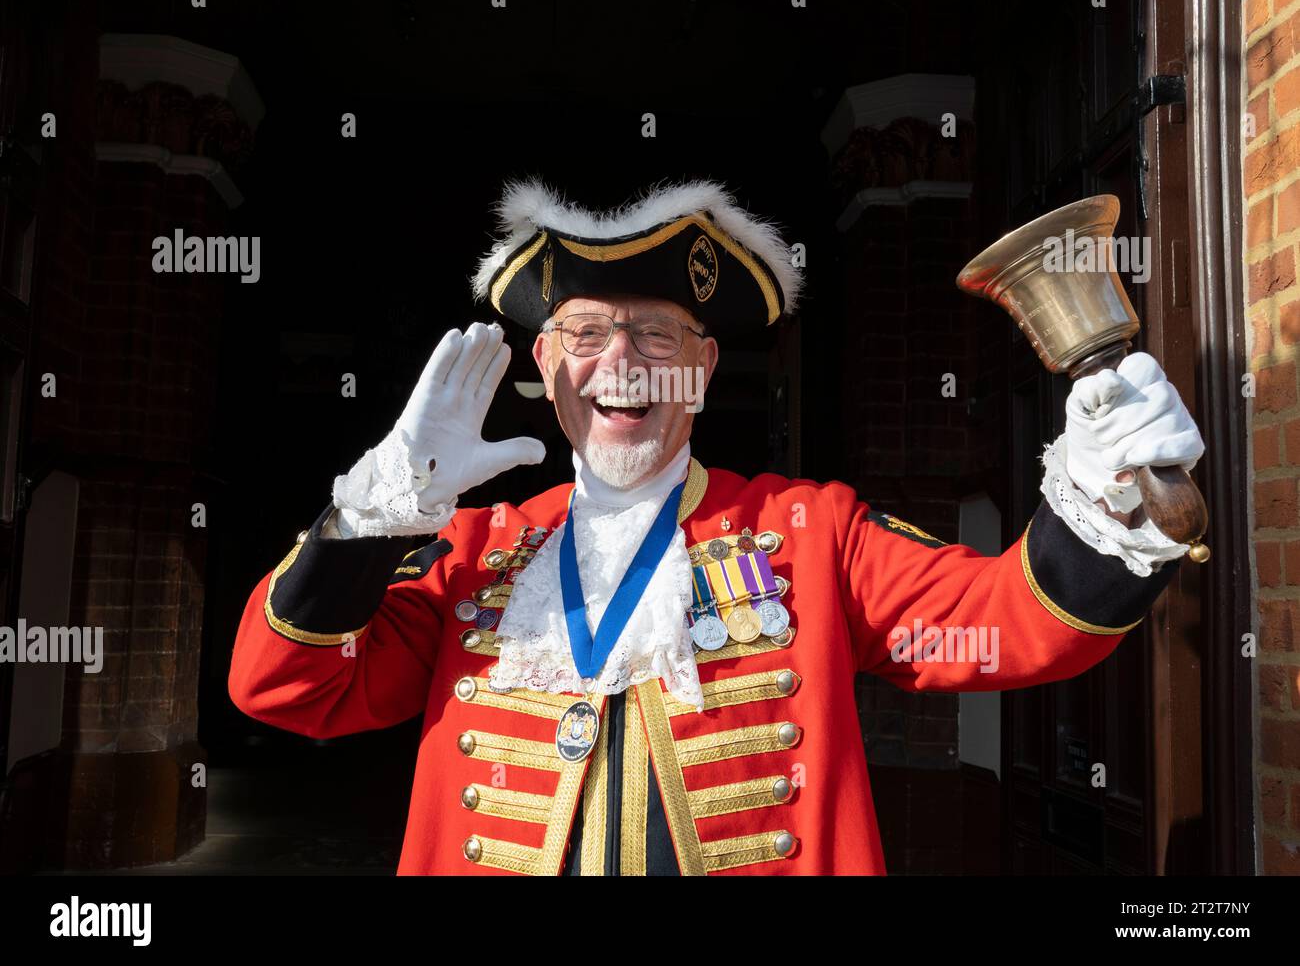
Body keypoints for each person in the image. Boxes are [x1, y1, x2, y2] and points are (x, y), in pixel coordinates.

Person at [227, 177, 1204, 875]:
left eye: (655, 335)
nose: (621, 362)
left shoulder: (812, 533)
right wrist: (367, 517)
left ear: (699, 369)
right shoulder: (474, 550)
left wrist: (1103, 487)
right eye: (586, 333)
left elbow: (1019, 625)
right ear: (544, 363)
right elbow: (286, 690)